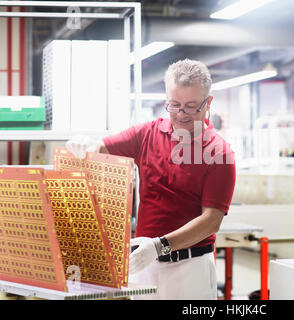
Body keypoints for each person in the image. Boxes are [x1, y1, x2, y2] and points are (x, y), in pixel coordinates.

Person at [66, 59, 236, 299]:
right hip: (143, 263)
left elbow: (211, 221)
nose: (181, 114)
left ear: (208, 103)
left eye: (191, 106)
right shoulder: (147, 134)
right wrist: (83, 144)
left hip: (190, 267)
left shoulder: (219, 152)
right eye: (174, 105)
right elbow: (100, 147)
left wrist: (159, 246)